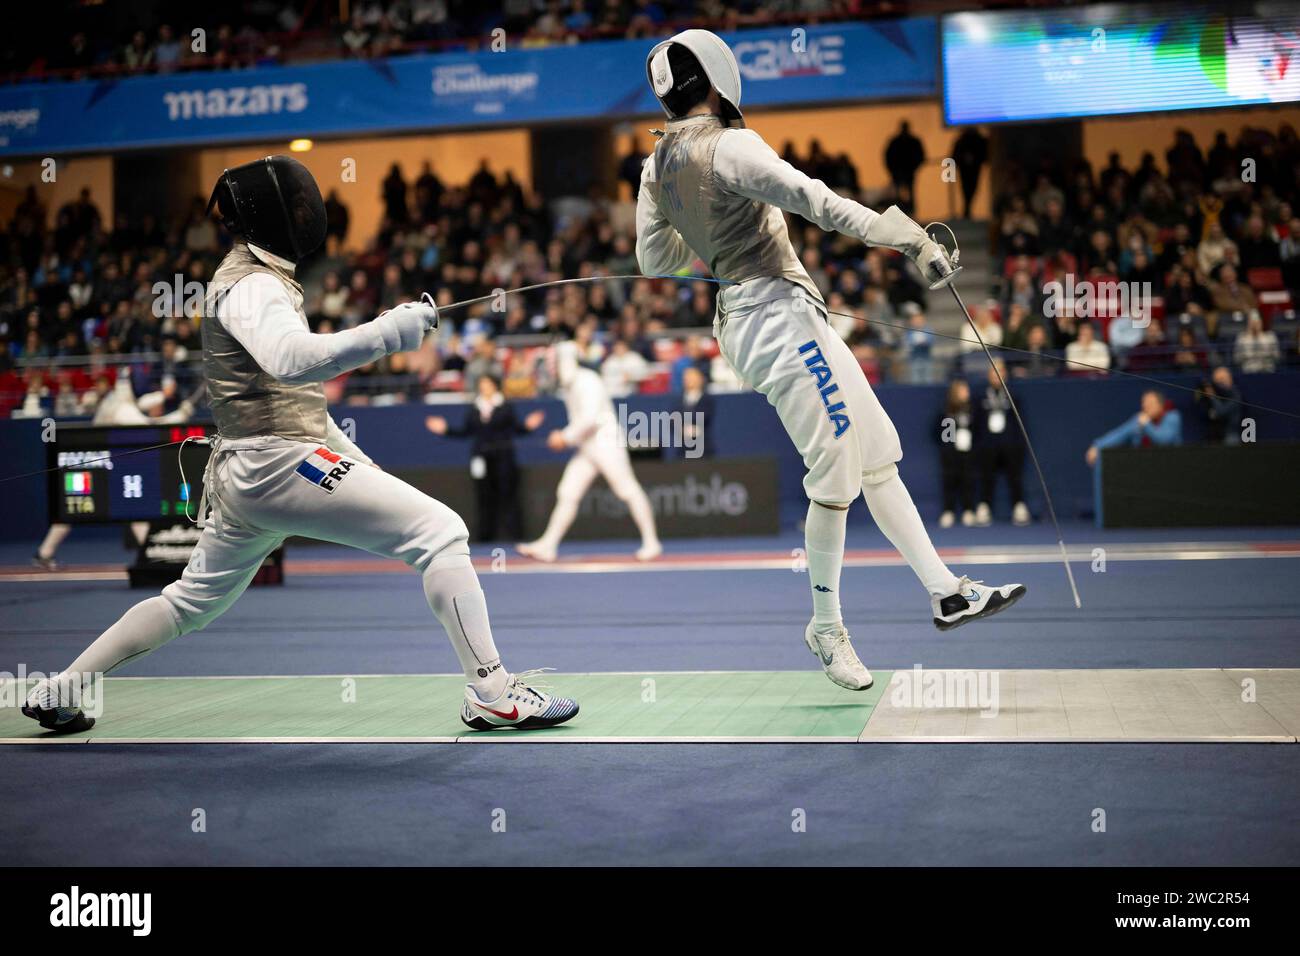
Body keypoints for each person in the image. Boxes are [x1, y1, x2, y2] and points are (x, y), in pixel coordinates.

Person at [23, 156, 577, 735]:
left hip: (254, 472)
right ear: (278, 216)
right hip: (276, 466)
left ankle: (65, 686)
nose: (312, 213)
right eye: (301, 203)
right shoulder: (253, 283)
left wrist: (361, 465)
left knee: (188, 602)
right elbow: (292, 362)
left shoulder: (256, 278)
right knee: (442, 534)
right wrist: (393, 330)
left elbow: (303, 407)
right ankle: (490, 690)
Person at [636, 30, 1025, 691]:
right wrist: (904, 236)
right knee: (839, 462)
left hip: (765, 314)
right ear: (718, 76)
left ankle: (945, 591)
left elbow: (653, 260)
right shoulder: (731, 144)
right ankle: (826, 626)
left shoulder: (654, 165)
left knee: (877, 449)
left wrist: (710, 234)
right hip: (773, 316)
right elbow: (814, 200)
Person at [518, 340, 662, 563]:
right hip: (588, 447)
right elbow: (581, 422)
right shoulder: (570, 387)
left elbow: (590, 419)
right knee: (568, 492)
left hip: (606, 443)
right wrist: (567, 438)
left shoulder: (588, 380)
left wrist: (564, 437)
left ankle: (652, 543)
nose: (553, 368)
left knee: (627, 489)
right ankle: (548, 546)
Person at [425, 374, 545, 542]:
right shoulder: (474, 408)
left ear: (495, 385)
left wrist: (528, 426)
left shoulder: (505, 407)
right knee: (484, 498)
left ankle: (516, 536)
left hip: (503, 458)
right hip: (481, 458)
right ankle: (485, 537)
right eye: (481, 384)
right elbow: (466, 431)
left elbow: (517, 429)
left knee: (508, 497)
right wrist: (445, 430)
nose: (483, 387)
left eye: (487, 383)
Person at [973, 360, 1030, 527]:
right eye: (993, 372)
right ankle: (984, 506)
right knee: (986, 476)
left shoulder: (1013, 396)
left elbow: (1019, 422)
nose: (997, 376)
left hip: (1009, 443)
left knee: (1014, 476)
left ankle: (1019, 506)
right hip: (988, 444)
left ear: (1004, 375)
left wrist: (1018, 443)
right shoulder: (981, 396)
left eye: (1000, 372)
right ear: (989, 376)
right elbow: (977, 422)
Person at [1085, 389, 1183, 467]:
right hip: (1144, 468)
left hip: (1170, 466)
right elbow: (1119, 434)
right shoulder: (1139, 419)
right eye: (1144, 403)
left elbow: (1164, 441)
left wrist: (1147, 425)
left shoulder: (1172, 417)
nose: (1145, 406)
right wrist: (1097, 447)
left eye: (1150, 403)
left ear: (1160, 405)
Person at [936, 379, 976, 528]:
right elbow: (940, 433)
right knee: (950, 482)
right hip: (951, 455)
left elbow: (977, 429)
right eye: (963, 391)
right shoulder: (946, 411)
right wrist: (949, 445)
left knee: (968, 481)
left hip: (967, 453)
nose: (967, 394)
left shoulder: (971, 409)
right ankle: (949, 511)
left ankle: (968, 510)